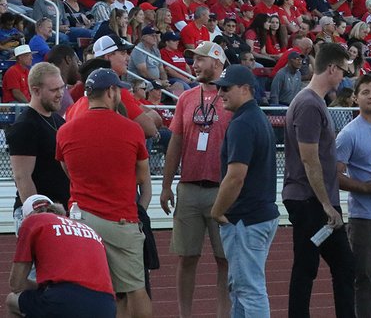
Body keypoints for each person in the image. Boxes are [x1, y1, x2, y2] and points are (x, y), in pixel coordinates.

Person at [54, 68, 152, 318]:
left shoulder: (65, 130)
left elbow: (68, 171)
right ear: (111, 92)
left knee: (88, 289)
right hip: (121, 218)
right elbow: (142, 176)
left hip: (81, 219)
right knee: (134, 288)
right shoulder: (132, 129)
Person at [283, 42, 355, 318]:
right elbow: (309, 159)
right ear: (332, 68)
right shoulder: (309, 105)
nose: (344, 77)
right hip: (310, 200)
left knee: (333, 265)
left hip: (312, 199)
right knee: (310, 267)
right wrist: (326, 204)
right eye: (343, 70)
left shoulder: (312, 102)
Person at [160, 40, 231, 318]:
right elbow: (175, 143)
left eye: (200, 59)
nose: (194, 64)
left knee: (224, 259)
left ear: (217, 62)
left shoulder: (231, 97)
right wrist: (166, 186)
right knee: (187, 257)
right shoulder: (186, 98)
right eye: (194, 59)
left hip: (222, 188)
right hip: (189, 187)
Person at [210, 64, 280, 318]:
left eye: (226, 88)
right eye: (219, 88)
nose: (220, 93)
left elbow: (236, 176)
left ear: (245, 89)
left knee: (249, 290)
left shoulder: (242, 123)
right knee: (241, 288)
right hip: (258, 215)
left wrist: (217, 211)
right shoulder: (256, 118)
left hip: (245, 218)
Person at [6, 195, 117, 318]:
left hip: (63, 299)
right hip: (106, 305)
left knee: (12, 300)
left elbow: (16, 284)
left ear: (27, 216)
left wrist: (42, 287)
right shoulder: (90, 230)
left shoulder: (32, 222)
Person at [336, 72, 371, 318]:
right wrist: (365, 187)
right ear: (356, 98)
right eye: (365, 92)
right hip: (365, 217)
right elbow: (334, 175)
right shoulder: (349, 134)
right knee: (364, 278)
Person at [8, 63, 69, 229]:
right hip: (39, 214)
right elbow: (22, 177)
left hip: (59, 211)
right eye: (54, 90)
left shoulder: (58, 121)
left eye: (62, 88)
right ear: (36, 91)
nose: (60, 94)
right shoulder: (25, 126)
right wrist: (39, 216)